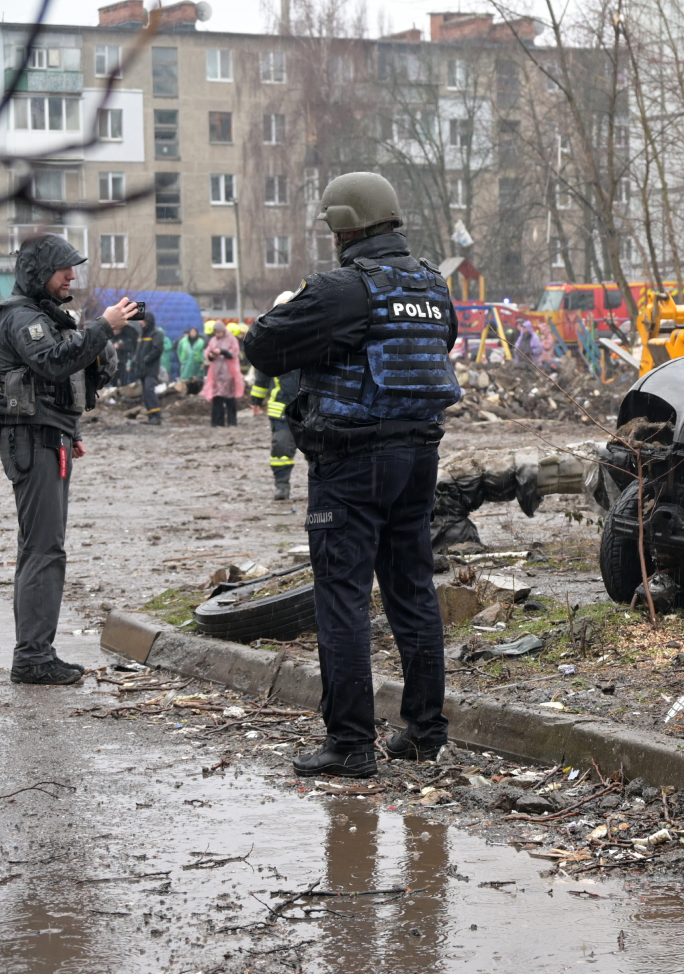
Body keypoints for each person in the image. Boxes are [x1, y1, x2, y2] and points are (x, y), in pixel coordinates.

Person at [243, 172, 461, 778]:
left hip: (351, 462)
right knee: (412, 592)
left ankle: (351, 744)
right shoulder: (433, 285)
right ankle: (425, 731)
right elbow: (440, 344)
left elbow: (262, 346)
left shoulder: (341, 290)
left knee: (342, 598)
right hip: (418, 456)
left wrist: (287, 309)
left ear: (344, 228)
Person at [0, 235, 133, 685]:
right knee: (43, 548)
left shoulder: (45, 316)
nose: (72, 276)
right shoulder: (21, 317)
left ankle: (35, 652)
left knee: (42, 547)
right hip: (33, 441)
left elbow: (65, 377)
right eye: (64, 270)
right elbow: (52, 363)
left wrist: (69, 429)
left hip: (47, 438)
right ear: (40, 274)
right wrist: (102, 327)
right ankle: (33, 657)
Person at [248, 291, 301, 500]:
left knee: (318, 451)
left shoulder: (311, 335)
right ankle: (282, 486)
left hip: (311, 404)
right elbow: (263, 373)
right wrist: (256, 400)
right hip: (282, 405)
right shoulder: (273, 341)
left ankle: (321, 488)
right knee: (281, 448)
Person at [132, 309, 169, 425]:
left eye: (142, 320)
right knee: (145, 393)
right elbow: (138, 350)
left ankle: (156, 417)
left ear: (148, 321)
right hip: (142, 368)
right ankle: (151, 415)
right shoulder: (142, 334)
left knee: (149, 391)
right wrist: (135, 361)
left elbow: (157, 350)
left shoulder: (156, 334)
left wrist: (146, 360)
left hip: (151, 368)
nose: (140, 323)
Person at [203, 324, 244, 426]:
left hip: (229, 373)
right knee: (217, 398)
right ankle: (217, 422)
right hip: (216, 373)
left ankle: (232, 422)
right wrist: (211, 355)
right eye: (216, 332)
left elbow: (233, 353)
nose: (217, 335)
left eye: (219, 332)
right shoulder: (213, 340)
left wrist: (222, 351)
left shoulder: (231, 339)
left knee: (230, 398)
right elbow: (208, 354)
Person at [176, 326, 205, 394]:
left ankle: (195, 393)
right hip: (185, 363)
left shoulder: (201, 342)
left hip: (196, 364)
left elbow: (203, 352)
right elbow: (179, 350)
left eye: (194, 332)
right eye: (191, 331)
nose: (192, 333)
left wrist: (202, 361)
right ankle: (183, 393)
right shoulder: (183, 341)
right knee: (184, 379)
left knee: (195, 379)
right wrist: (181, 360)